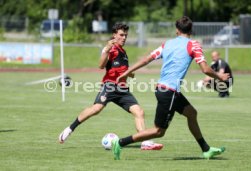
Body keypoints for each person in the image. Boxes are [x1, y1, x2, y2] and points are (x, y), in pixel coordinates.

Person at [112, 16, 229, 160]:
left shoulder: (166, 44)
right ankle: (120, 142)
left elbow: (146, 59)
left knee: (192, 113)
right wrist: (220, 77)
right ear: (191, 30)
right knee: (158, 131)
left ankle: (206, 150)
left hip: (165, 90)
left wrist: (127, 72)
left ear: (176, 30)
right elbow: (205, 69)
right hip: (169, 92)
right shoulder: (194, 45)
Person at [58, 23, 163, 150]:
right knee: (96, 109)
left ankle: (145, 142)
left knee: (139, 112)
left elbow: (121, 68)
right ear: (114, 35)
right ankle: (70, 128)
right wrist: (106, 49)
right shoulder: (112, 49)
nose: (124, 37)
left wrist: (130, 73)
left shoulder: (123, 52)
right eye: (121, 35)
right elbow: (101, 65)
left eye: (126, 35)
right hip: (110, 86)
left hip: (123, 90)